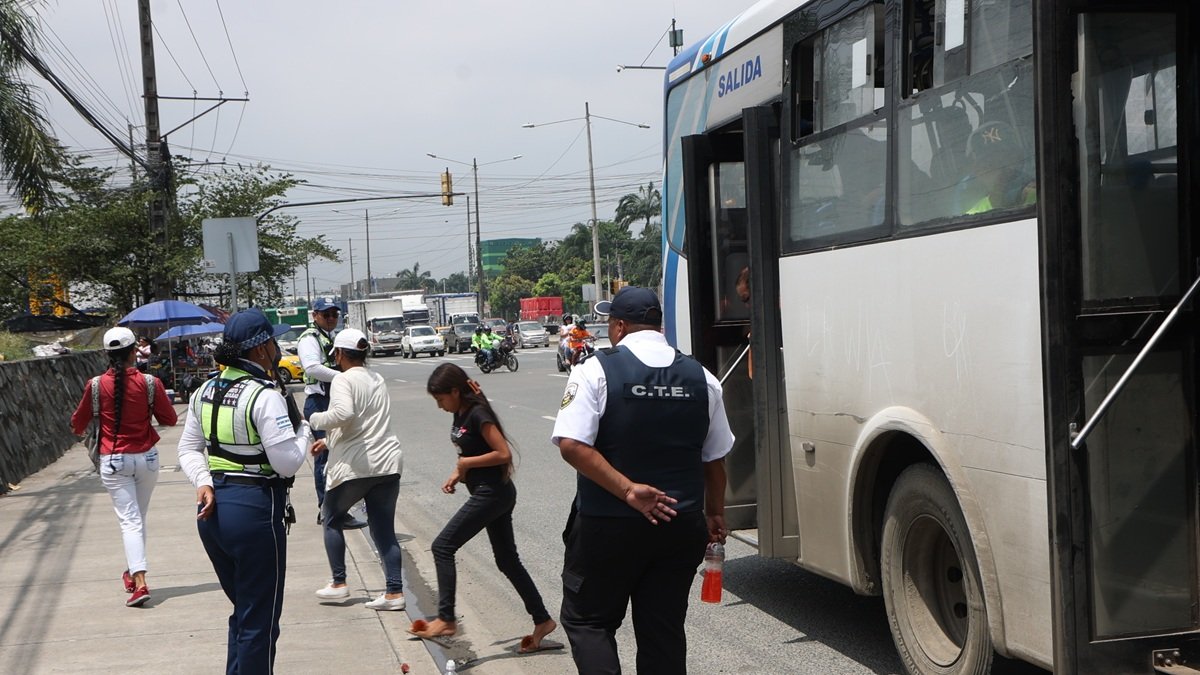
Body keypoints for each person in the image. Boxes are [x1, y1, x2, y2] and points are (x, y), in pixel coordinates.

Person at [552, 286, 735, 674]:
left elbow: (571, 444)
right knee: (662, 630)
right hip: (681, 524)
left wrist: (629, 490)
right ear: (659, 325)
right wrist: (714, 513)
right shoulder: (701, 377)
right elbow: (714, 458)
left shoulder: (595, 370)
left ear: (618, 326)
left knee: (590, 623)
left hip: (608, 524)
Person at [176, 309, 312, 675]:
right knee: (261, 621)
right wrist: (305, 432)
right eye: (274, 341)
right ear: (262, 348)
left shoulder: (205, 389)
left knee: (245, 611)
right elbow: (286, 463)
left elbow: (188, 448)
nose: (278, 348)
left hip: (214, 511)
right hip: (255, 512)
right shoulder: (264, 396)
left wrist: (202, 482)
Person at [415, 362, 558, 651]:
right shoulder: (461, 410)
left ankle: (446, 618)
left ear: (455, 391)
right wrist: (459, 473)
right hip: (490, 491)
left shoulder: (478, 414)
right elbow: (470, 449)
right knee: (506, 560)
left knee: (442, 546)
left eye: (441, 399)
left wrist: (466, 464)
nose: (439, 405)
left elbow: (502, 453)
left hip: (493, 494)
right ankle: (542, 620)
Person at [70, 326, 178, 608]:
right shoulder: (150, 383)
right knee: (137, 519)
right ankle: (131, 573)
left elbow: (77, 423)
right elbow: (169, 419)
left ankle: (140, 582)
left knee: (130, 521)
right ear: (133, 352)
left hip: (114, 460)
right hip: (148, 460)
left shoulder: (95, 385)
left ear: (107, 354)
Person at [307, 328, 407, 611]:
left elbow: (344, 414)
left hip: (357, 465)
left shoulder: (342, 379)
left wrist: (315, 420)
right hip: (388, 462)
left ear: (339, 354)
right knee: (384, 530)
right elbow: (363, 423)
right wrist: (328, 442)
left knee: (331, 517)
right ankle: (394, 592)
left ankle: (339, 583)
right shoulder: (377, 378)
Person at [298, 299, 365, 529]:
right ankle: (325, 509)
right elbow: (312, 368)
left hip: (333, 399)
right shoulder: (309, 338)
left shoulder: (331, 336)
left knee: (341, 451)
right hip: (319, 402)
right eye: (326, 315)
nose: (331, 319)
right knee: (325, 457)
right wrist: (342, 377)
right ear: (315, 315)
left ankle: (338, 507)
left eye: (334, 315)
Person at [964, 120, 1036, 215]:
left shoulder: (1045, 198)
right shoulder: (969, 220)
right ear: (978, 172)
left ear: (1020, 160)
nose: (1002, 171)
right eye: (990, 165)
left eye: (1007, 160)